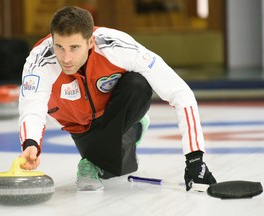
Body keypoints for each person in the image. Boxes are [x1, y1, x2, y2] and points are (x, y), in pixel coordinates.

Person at [19, 6, 216, 191]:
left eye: (74, 48)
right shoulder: (40, 61)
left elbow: (180, 93)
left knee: (138, 84)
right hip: (80, 127)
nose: (66, 58)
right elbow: (32, 108)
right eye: (59, 47)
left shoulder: (118, 47)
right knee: (117, 169)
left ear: (90, 42)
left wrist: (195, 159)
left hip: (113, 110)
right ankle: (131, 131)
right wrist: (31, 144)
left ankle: (104, 149)